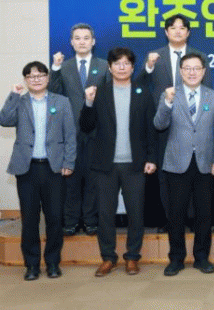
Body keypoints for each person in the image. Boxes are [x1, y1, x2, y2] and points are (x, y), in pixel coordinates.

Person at [79, 47, 157, 277]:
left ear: (133, 68)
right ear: (110, 67)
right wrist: (88, 103)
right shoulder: (99, 92)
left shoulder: (143, 92)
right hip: (106, 165)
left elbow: (151, 129)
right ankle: (108, 258)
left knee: (136, 213)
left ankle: (132, 257)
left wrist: (152, 158)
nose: (122, 67)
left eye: (126, 63)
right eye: (117, 63)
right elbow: (86, 126)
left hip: (135, 164)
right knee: (105, 214)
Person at [1, 61, 76, 280]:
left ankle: (53, 263)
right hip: (27, 169)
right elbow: (4, 120)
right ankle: (32, 265)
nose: (36, 79)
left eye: (41, 75)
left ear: (48, 78)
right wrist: (13, 95)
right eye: (31, 76)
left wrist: (69, 162)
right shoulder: (20, 101)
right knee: (29, 220)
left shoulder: (61, 102)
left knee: (55, 218)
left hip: (54, 169)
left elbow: (70, 135)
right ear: (25, 80)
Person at [153, 53, 214, 276]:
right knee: (176, 214)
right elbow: (159, 124)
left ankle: (202, 257)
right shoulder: (169, 94)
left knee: (204, 214)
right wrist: (167, 103)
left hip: (205, 163)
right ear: (181, 71)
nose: (192, 72)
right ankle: (176, 258)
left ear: (204, 71)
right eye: (187, 68)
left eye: (196, 68)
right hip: (177, 162)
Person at [137, 14, 210, 231]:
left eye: (182, 28)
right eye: (173, 27)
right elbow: (139, 86)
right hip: (164, 122)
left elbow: (208, 90)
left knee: (194, 171)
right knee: (166, 174)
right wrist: (148, 67)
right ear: (166, 32)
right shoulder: (155, 56)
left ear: (188, 32)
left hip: (194, 123)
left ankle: (191, 218)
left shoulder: (199, 57)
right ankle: (172, 219)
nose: (178, 31)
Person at [49, 23, 109, 236]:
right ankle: (71, 220)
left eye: (86, 38)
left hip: (96, 131)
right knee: (70, 179)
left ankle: (91, 219)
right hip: (69, 131)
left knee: (93, 179)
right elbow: (53, 93)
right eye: (77, 38)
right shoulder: (63, 67)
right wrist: (55, 68)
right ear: (71, 42)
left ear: (93, 41)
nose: (82, 42)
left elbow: (110, 97)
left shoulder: (104, 66)